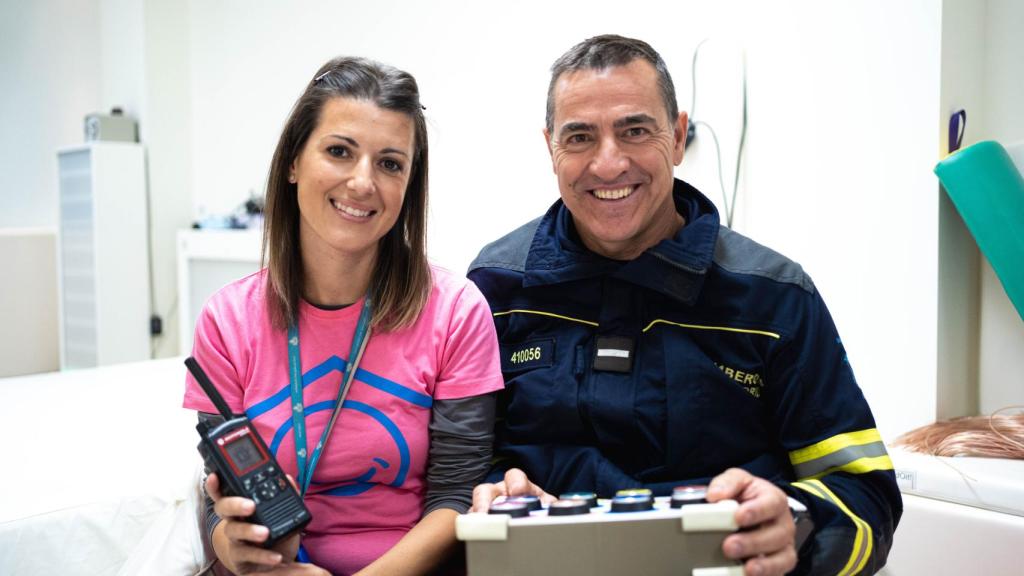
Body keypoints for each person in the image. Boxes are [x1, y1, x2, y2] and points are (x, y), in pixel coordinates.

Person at [468, 35, 902, 576]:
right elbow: (452, 475)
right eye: (579, 137)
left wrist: (794, 525)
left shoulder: (774, 299)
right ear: (550, 147)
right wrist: (492, 492)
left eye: (634, 130)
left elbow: (868, 499)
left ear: (676, 136)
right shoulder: (495, 289)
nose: (608, 164)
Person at [183, 56, 504, 576]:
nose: (362, 183)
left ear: (408, 186)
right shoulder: (227, 319)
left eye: (390, 163)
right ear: (293, 162)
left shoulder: (455, 311)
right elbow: (218, 493)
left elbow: (454, 499)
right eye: (339, 152)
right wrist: (233, 544)